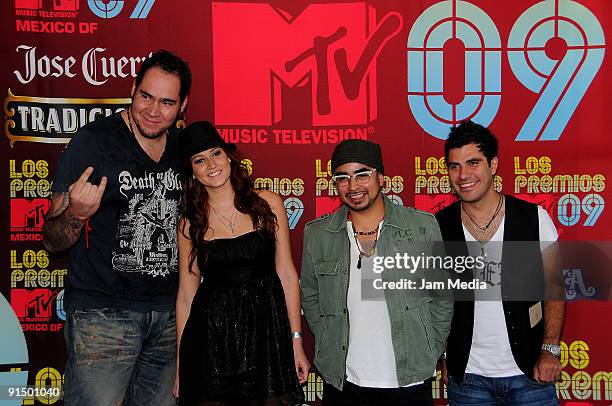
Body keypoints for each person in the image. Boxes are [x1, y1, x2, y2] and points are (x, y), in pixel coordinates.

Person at [42, 49, 191, 405]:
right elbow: (52, 241)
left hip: (170, 318)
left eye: (167, 102)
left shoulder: (183, 150)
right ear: (133, 88)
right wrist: (76, 214)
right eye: (146, 97)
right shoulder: (94, 141)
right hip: (103, 316)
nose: (153, 111)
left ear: (183, 105)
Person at [300, 139, 453, 405]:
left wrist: (431, 349)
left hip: (409, 379)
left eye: (362, 174)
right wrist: (327, 336)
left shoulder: (421, 227)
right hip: (343, 380)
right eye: (343, 178)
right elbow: (311, 296)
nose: (353, 186)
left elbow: (442, 298)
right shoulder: (317, 234)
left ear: (381, 177)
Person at [174, 121, 308, 405]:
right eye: (200, 160)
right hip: (213, 340)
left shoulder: (268, 204)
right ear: (193, 172)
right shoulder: (189, 224)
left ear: (229, 157)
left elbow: (286, 273)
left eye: (216, 153)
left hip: (266, 335)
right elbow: (186, 297)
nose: (211, 164)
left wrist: (296, 340)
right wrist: (179, 365)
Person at [435, 120, 565, 405]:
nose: (463, 175)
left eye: (473, 163)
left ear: (493, 165)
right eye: (454, 166)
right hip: (468, 379)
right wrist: (444, 356)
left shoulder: (533, 218)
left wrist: (550, 350)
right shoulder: (439, 226)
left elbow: (554, 287)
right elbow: (438, 300)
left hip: (531, 373)